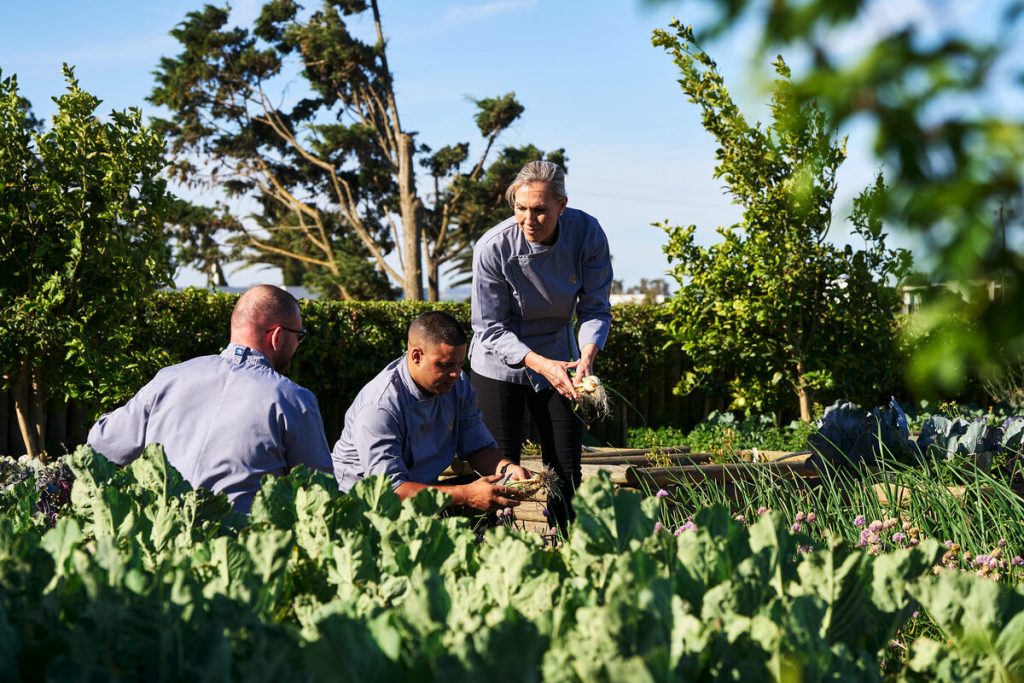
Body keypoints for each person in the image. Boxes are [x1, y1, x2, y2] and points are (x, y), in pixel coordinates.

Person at [87, 285, 333, 514]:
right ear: (277, 336)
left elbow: (102, 445)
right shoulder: (293, 399)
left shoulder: (168, 379)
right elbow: (318, 491)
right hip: (238, 551)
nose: (298, 343)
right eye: (299, 336)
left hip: (161, 543)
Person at [470, 160, 613, 523]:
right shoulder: (493, 247)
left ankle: (564, 548)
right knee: (501, 473)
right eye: (521, 209)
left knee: (566, 470)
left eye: (540, 210)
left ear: (562, 206)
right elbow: (489, 328)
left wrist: (586, 356)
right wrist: (539, 363)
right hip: (498, 362)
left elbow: (595, 307)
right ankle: (493, 554)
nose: (529, 220)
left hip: (561, 357)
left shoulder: (588, 234)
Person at [332, 311, 530, 511]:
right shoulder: (379, 407)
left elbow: (476, 446)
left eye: (460, 364)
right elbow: (388, 492)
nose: (455, 373)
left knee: (486, 491)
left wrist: (506, 470)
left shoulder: (458, 386)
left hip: (417, 491)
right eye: (445, 365)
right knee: (470, 495)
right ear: (417, 356)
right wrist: (465, 495)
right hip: (361, 506)